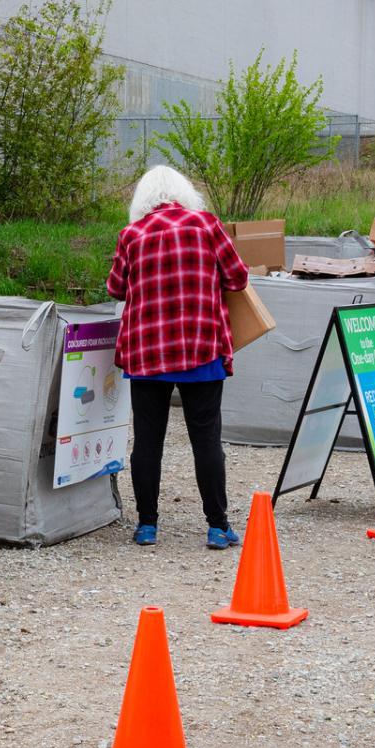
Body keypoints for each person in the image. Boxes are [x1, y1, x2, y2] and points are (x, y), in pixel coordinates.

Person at [106, 166, 248, 550]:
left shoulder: (132, 234)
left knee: (148, 441)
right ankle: (218, 526)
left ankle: (147, 525)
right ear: (185, 193)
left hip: (147, 352)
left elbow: (116, 288)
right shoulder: (207, 225)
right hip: (201, 349)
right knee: (206, 439)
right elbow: (238, 279)